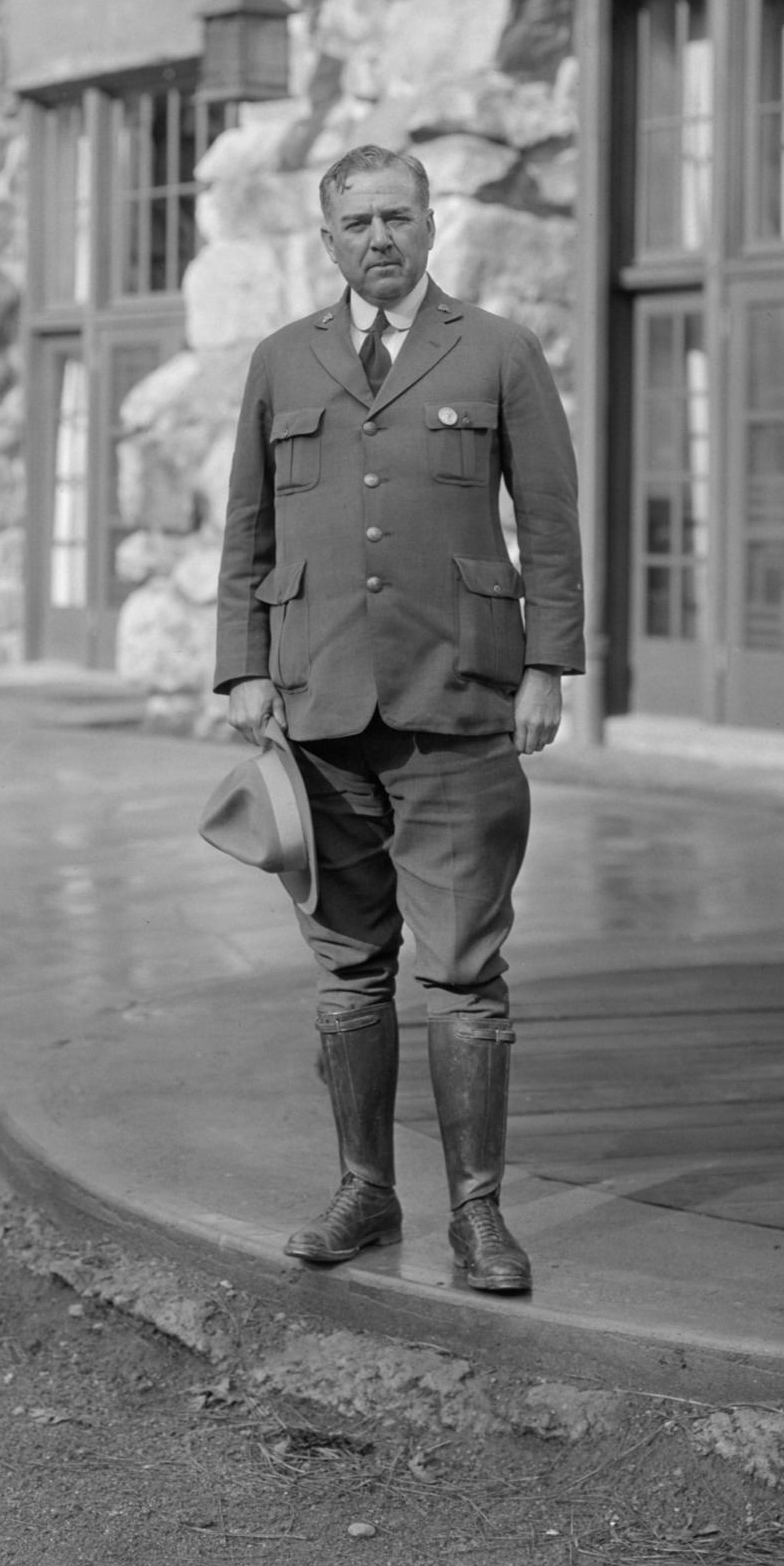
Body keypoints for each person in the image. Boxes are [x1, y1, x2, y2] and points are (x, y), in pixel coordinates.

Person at [214, 144, 584, 1294]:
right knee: (346, 971)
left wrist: (546, 668)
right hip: (318, 701)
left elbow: (553, 524)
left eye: (398, 217)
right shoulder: (282, 361)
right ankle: (364, 1190)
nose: (379, 237)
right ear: (326, 242)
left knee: (464, 972)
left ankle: (477, 1216)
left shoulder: (496, 350)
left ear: (431, 227)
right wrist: (241, 671)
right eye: (356, 221)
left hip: (461, 698)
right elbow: (246, 532)